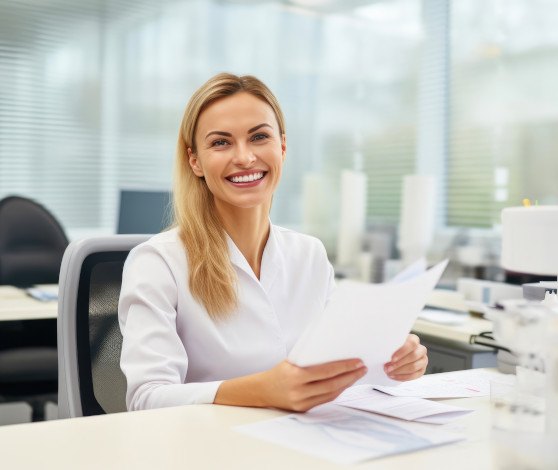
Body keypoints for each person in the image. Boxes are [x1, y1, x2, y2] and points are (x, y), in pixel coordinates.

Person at [118, 73, 428, 412]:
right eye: (221, 142)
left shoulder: (309, 254)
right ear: (196, 161)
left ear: (282, 146)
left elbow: (340, 362)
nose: (245, 158)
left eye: (259, 137)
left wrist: (391, 360)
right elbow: (146, 398)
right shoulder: (158, 262)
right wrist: (263, 391)